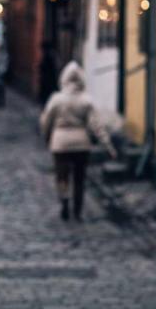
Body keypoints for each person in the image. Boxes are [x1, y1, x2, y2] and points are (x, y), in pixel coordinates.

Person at [40, 61, 117, 222]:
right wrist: (108, 146)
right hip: (81, 144)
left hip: (60, 143)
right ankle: (78, 211)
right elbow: (97, 126)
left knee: (62, 176)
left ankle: (65, 201)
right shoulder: (86, 100)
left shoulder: (56, 99)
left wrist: (47, 138)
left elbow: (46, 121)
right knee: (80, 179)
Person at [39, 41, 58, 106]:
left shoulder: (49, 56)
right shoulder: (50, 56)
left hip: (48, 80)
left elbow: (46, 67)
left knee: (47, 94)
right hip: (48, 79)